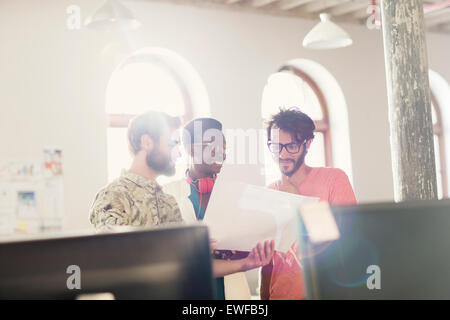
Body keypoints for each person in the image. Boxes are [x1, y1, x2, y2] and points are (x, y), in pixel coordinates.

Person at [89, 111, 274, 298]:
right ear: (147, 142)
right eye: (172, 143)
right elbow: (112, 265)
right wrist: (181, 250)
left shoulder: (166, 202)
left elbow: (188, 266)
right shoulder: (114, 196)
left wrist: (243, 263)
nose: (178, 152)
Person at [164, 117, 275, 300]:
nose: (223, 154)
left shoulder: (237, 193)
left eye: (224, 148)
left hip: (232, 290)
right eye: (215, 147)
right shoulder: (168, 194)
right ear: (192, 149)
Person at [260, 107, 357, 300]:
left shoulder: (334, 179)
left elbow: (347, 242)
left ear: (308, 144)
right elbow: (268, 263)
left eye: (292, 146)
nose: (283, 154)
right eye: (277, 146)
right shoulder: (268, 193)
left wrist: (297, 201)